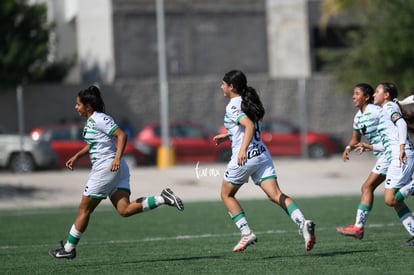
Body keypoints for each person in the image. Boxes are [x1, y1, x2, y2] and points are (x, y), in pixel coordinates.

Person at [49, 85, 184, 259]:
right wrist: (76, 156)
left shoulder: (99, 118)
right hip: (114, 169)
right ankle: (162, 198)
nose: (76, 107)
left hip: (107, 168)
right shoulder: (91, 121)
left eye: (78, 104)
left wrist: (117, 158)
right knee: (125, 210)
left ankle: (68, 249)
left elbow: (121, 135)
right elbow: (94, 144)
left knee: (84, 210)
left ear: (88, 106)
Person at [213, 70, 316, 252]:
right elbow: (243, 129)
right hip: (262, 154)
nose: (221, 86)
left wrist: (242, 149)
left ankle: (246, 233)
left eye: (223, 83)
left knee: (226, 195)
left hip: (245, 157)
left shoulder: (233, 105)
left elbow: (249, 126)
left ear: (231, 87)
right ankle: (303, 222)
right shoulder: (246, 102)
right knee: (276, 194)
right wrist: (227, 135)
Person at [356, 82, 414, 245]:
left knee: (391, 199)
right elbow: (390, 142)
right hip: (398, 154)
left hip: (401, 156)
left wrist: (402, 147)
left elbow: (401, 124)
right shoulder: (387, 109)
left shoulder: (389, 107)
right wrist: (370, 146)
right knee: (392, 199)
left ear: (386, 95)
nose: (374, 94)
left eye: (378, 91)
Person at [336, 83, 388, 239]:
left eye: (357, 93)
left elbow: (397, 124)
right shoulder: (358, 116)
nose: (353, 96)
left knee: (367, 187)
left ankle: (358, 228)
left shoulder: (377, 111)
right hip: (383, 155)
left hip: (389, 155)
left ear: (366, 97)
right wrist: (348, 148)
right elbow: (355, 139)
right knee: (393, 198)